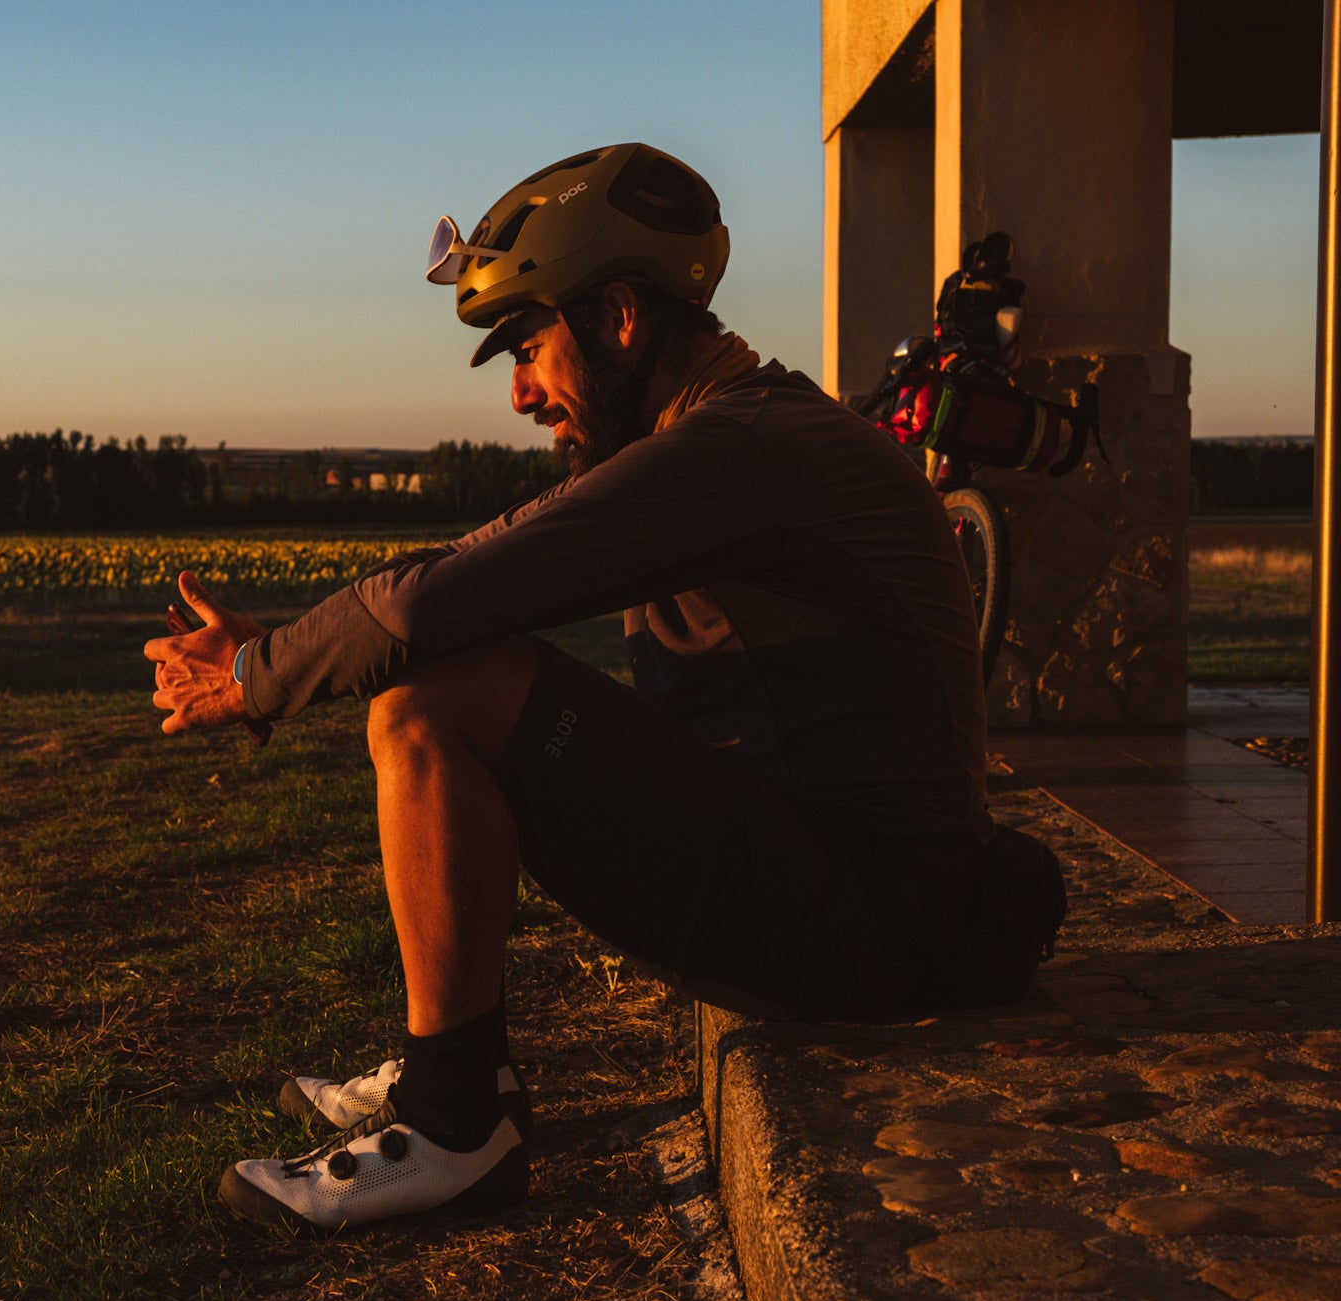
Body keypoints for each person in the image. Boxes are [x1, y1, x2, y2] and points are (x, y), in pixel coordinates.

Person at [145, 142, 1050, 1233]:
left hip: (867, 927)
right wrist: (282, 653)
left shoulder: (734, 449)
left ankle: (452, 1127)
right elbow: (450, 588)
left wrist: (258, 676)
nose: (521, 392)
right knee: (443, 677)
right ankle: (471, 1074)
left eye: (528, 344)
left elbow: (427, 605)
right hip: (852, 890)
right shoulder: (728, 432)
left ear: (620, 317)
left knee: (433, 696)